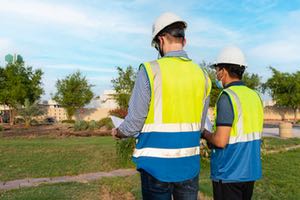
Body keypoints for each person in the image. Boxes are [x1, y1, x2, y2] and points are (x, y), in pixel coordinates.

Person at [111, 12, 211, 200]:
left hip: (156, 167)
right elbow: (200, 125)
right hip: (188, 164)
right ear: (184, 41)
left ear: (160, 40)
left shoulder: (150, 70)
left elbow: (134, 123)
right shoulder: (203, 76)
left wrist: (118, 132)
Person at [201, 46, 264, 200]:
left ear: (223, 71)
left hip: (229, 172)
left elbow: (221, 141)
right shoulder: (255, 96)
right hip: (250, 171)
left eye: (217, 69)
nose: (216, 74)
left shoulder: (227, 96)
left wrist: (203, 132)